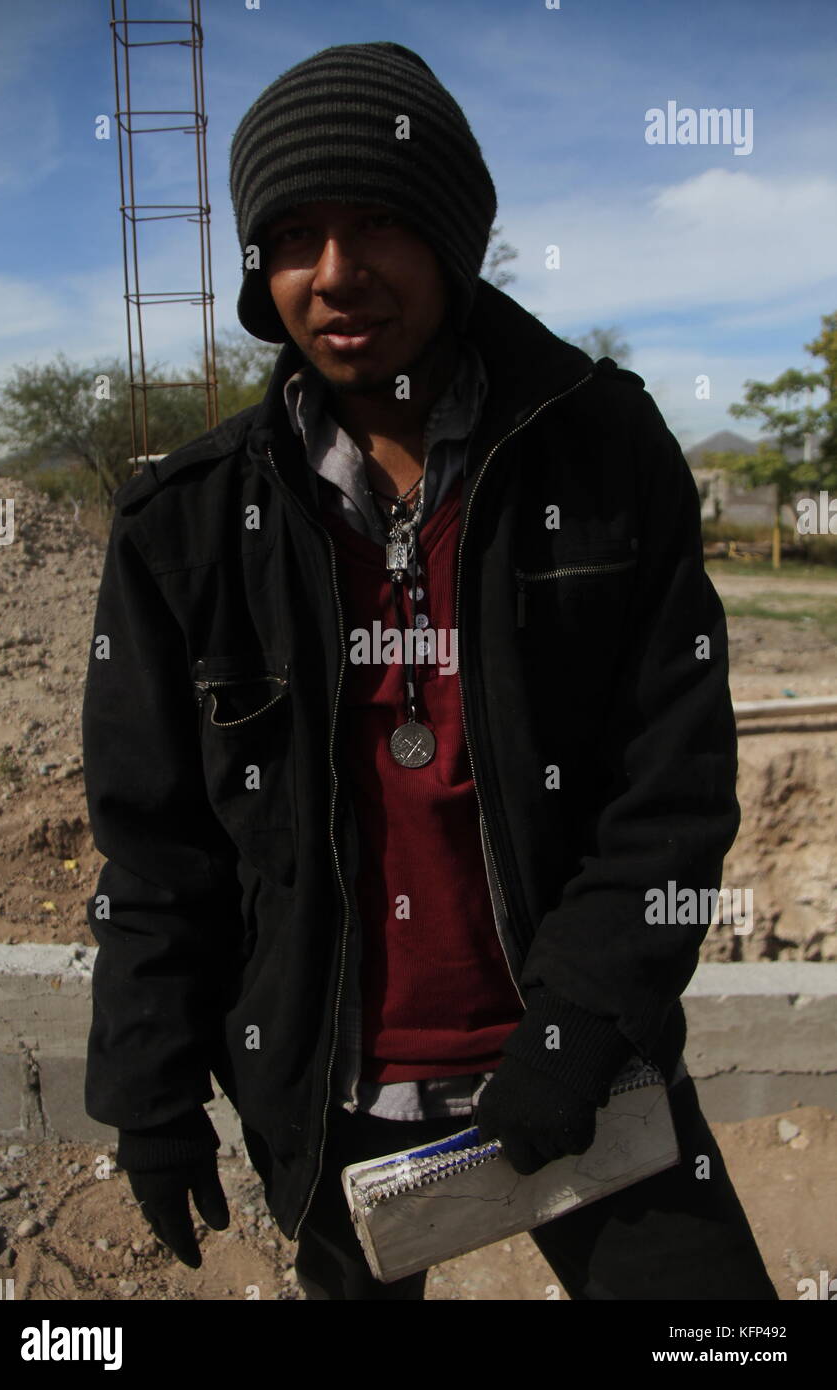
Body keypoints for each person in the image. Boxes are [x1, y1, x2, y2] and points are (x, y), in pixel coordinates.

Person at [82, 40, 778, 1301]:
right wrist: (148, 1093)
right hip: (331, 1090)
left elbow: (670, 787)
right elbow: (158, 843)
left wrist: (576, 1029)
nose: (335, 274)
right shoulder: (183, 527)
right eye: (294, 234)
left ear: (452, 237)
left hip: (587, 1065)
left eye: (378, 223)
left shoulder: (604, 452)